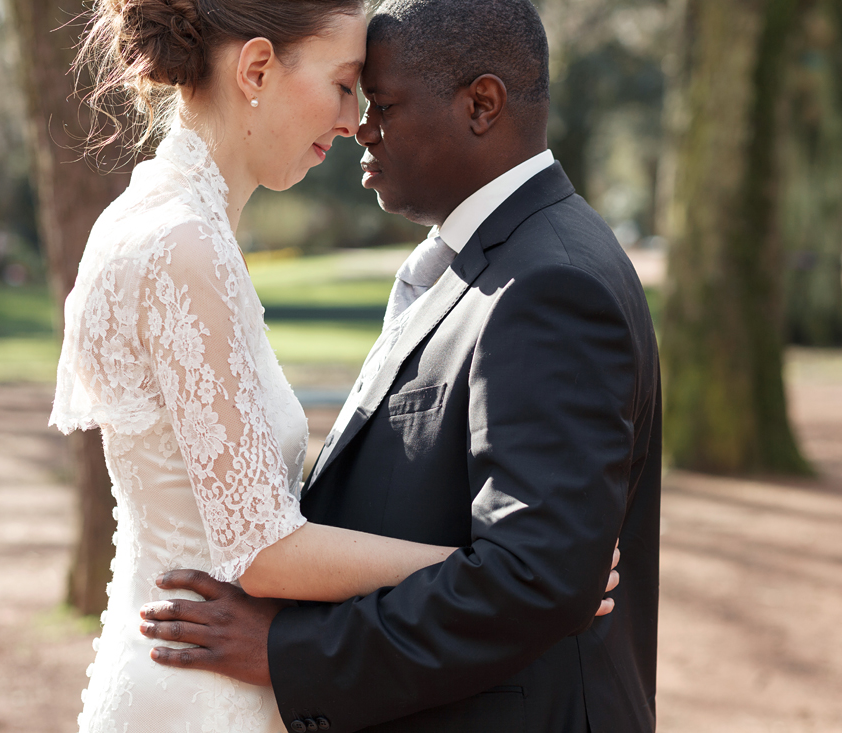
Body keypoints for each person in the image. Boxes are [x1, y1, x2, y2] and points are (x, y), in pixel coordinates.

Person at [51, 1, 618, 732]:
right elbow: (262, 551)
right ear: (256, 69)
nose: (355, 121)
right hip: (200, 694)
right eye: (346, 83)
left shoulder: (165, 220)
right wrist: (489, 569)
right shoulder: (181, 244)